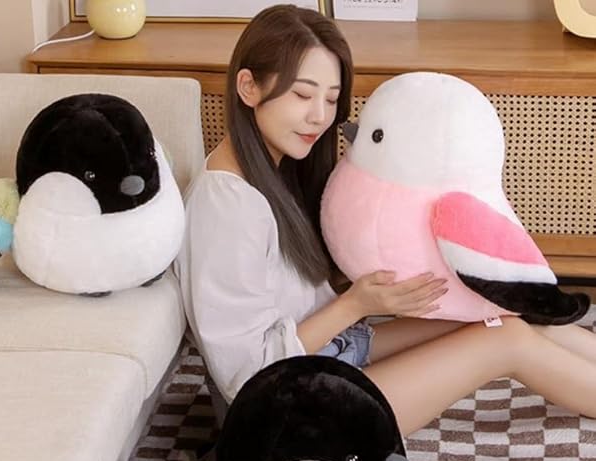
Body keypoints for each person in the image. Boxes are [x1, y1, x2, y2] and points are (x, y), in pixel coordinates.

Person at [174, 4, 596, 437]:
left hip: (327, 356)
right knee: (506, 341)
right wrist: (355, 304)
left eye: (331, 99)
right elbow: (247, 373)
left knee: (498, 310)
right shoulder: (226, 206)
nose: (319, 116)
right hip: (283, 412)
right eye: (302, 95)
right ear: (248, 86)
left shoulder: (272, 172)